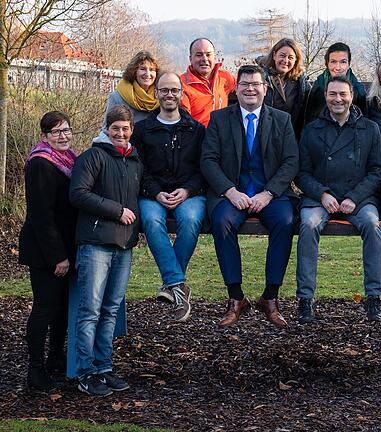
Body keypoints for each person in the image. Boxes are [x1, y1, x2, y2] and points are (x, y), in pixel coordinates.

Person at [201, 64, 298, 328]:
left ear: (265, 89)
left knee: (285, 221)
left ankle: (270, 297)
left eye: (256, 84)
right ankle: (236, 298)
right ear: (237, 88)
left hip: (270, 194)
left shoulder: (282, 120)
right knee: (221, 221)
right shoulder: (220, 119)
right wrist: (230, 191)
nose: (250, 89)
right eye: (244, 84)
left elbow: (291, 162)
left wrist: (268, 193)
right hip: (232, 193)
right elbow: (208, 160)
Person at [296, 76, 381, 323]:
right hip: (320, 198)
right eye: (333, 94)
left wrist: (354, 198)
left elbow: (377, 171)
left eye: (343, 94)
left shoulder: (370, 129)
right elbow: (301, 172)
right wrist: (322, 194)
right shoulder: (311, 129)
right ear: (325, 96)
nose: (338, 99)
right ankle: (305, 298)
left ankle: (374, 295)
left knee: (372, 224)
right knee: (309, 225)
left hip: (359, 198)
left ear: (351, 96)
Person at [69, 105, 143, 397]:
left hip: (124, 245)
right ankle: (85, 373)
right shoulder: (92, 157)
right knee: (90, 310)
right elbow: (78, 194)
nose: (120, 134)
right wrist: (117, 211)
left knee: (111, 310)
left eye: (125, 129)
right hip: (96, 243)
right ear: (106, 128)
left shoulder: (134, 160)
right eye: (115, 129)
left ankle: (103, 368)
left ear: (131, 130)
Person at [131, 72, 206, 322]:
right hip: (153, 194)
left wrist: (187, 191)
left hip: (189, 193)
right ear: (156, 93)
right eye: (164, 90)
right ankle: (177, 284)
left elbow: (204, 168)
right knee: (151, 221)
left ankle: (171, 285)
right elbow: (138, 168)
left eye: (174, 90)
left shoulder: (196, 130)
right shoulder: (142, 130)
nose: (169, 94)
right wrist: (155, 192)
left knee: (192, 220)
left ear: (182, 94)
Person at [19, 111, 78, 391]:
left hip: (65, 246)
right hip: (46, 250)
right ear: (45, 136)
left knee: (62, 308)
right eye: (56, 132)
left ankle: (56, 358)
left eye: (67, 130)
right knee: (44, 308)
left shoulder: (68, 160)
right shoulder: (41, 163)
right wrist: (59, 257)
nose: (63, 136)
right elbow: (42, 215)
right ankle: (36, 369)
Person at [304, 42, 366, 125]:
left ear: (349, 64)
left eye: (343, 62)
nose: (338, 67)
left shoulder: (359, 91)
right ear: (327, 63)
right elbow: (309, 120)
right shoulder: (317, 87)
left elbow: (364, 123)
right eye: (333, 62)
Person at [180, 38, 236, 127]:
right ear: (190, 59)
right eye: (199, 55)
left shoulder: (225, 78)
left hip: (223, 136)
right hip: (197, 137)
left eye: (208, 55)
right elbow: (184, 120)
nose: (204, 59)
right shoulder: (181, 84)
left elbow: (244, 87)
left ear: (214, 57)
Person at [261, 38, 311, 137]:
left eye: (291, 57)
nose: (286, 61)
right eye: (282, 56)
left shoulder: (300, 83)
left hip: (289, 135)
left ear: (296, 60)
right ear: (274, 55)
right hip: (264, 134)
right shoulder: (262, 78)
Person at [103, 51, 159, 129]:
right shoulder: (117, 97)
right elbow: (107, 129)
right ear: (134, 71)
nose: (148, 74)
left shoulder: (161, 97)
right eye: (143, 69)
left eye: (152, 69)